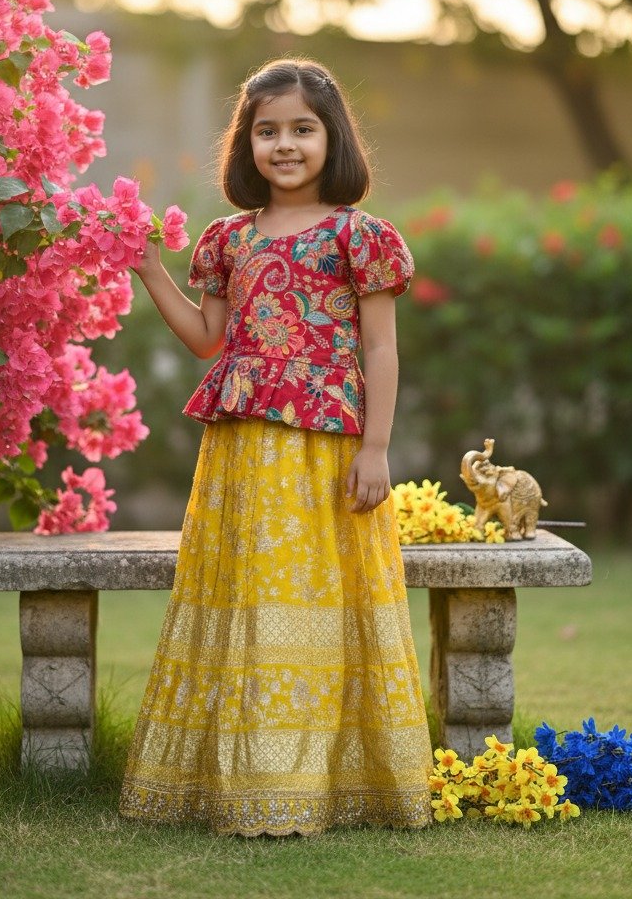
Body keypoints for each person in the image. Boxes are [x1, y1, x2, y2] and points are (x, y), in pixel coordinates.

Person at [120, 57, 432, 836]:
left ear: (333, 138)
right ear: (246, 144)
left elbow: (381, 349)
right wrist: (149, 270)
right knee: (246, 600)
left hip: (327, 451)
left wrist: (377, 448)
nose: (284, 145)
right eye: (267, 131)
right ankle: (243, 778)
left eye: (301, 129)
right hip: (240, 456)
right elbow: (207, 340)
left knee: (319, 598)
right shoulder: (228, 239)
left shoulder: (359, 236)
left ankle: (327, 780)